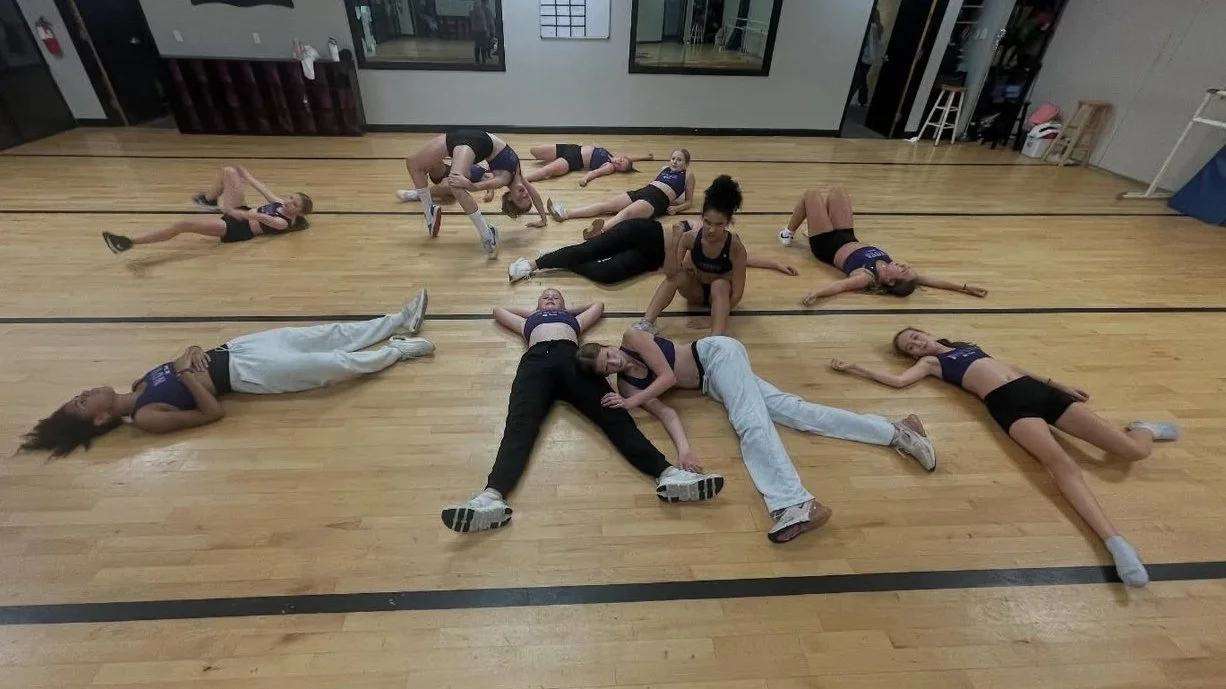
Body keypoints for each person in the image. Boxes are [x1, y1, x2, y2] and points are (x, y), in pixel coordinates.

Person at [830, 327, 1181, 587]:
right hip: (1009, 405)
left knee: (1131, 451)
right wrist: (855, 367)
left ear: (926, 331)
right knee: (1061, 465)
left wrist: (1058, 384)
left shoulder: (968, 346)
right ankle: (1116, 543)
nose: (917, 343)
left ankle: (1144, 428)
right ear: (912, 355)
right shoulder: (932, 363)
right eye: (910, 346)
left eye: (916, 336)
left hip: (1039, 392)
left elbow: (1012, 364)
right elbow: (897, 382)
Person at [577, 330, 935, 542]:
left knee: (750, 423)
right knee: (797, 411)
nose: (614, 363)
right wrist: (684, 451)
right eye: (606, 368)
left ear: (610, 345)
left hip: (718, 354)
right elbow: (668, 412)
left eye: (609, 355)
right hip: (713, 383)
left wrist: (631, 402)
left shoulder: (633, 338)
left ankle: (793, 502)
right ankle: (896, 430)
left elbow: (667, 377)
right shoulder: (626, 384)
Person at [440, 288, 725, 533]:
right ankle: (492, 497)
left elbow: (597, 306)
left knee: (614, 414)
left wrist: (563, 310)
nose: (550, 298)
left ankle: (668, 475)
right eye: (545, 297)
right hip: (535, 363)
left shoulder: (572, 321)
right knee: (519, 426)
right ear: (537, 305)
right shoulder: (530, 323)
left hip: (573, 360)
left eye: (556, 297)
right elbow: (498, 310)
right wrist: (536, 312)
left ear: (565, 305)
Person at [19, 291, 433, 457]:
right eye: (83, 400)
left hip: (238, 347)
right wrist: (186, 375)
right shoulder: (145, 417)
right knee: (330, 366)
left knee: (325, 334)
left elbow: (187, 358)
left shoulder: (138, 383)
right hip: (247, 375)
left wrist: (190, 351)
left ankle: (398, 320)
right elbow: (211, 414)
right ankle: (396, 351)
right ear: (99, 418)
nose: (86, 391)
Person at [778, 188, 987, 305]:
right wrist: (965, 287)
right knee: (838, 192)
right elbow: (932, 280)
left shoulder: (866, 276)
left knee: (811, 195)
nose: (904, 265)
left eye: (903, 270)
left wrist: (816, 293)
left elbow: (839, 287)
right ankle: (814, 224)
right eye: (906, 267)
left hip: (825, 243)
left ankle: (787, 233)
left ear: (889, 279)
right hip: (847, 236)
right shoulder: (897, 273)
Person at [506, 217, 798, 285]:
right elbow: (680, 229)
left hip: (650, 259)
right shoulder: (702, 228)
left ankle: (569, 263)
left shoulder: (729, 250)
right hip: (645, 232)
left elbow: (745, 261)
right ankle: (532, 264)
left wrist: (775, 264)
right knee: (589, 249)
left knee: (607, 275)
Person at [632, 175, 749, 336]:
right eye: (708, 222)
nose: (712, 229)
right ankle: (647, 323)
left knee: (720, 284)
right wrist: (675, 240)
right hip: (696, 292)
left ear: (728, 223)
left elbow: (737, 294)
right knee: (678, 275)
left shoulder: (735, 246)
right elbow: (669, 273)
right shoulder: (690, 238)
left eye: (719, 224)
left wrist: (711, 319)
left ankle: (716, 339)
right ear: (702, 218)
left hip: (720, 298)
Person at [404, 129, 548, 259]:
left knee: (455, 185)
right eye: (526, 197)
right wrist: (543, 218)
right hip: (462, 135)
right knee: (413, 163)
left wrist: (467, 183)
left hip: (474, 144)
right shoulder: (519, 175)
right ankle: (429, 210)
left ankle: (487, 234)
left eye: (520, 199)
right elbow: (535, 194)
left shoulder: (504, 179)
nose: (524, 194)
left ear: (510, 197)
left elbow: (474, 187)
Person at [101, 166, 312, 253]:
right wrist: (247, 177)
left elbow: (251, 215)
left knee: (183, 225)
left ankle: (129, 242)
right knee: (229, 171)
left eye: (294, 204)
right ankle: (209, 200)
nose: (288, 202)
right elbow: (264, 190)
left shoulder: (282, 222)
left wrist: (228, 208)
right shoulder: (279, 205)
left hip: (237, 228)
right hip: (241, 212)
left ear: (299, 213)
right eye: (290, 197)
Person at [546, 149, 695, 240]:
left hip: (657, 200)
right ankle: (566, 213)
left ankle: (601, 231)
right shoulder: (664, 168)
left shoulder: (688, 175)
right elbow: (654, 183)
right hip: (644, 191)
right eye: (673, 158)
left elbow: (689, 202)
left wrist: (676, 208)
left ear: (686, 163)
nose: (675, 162)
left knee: (626, 213)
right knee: (605, 205)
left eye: (679, 159)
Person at [524, 144, 653, 184]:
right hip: (570, 148)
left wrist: (585, 178)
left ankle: (522, 180)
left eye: (620, 166)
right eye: (621, 160)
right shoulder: (613, 156)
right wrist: (645, 157)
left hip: (573, 160)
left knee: (546, 171)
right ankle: (554, 162)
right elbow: (630, 158)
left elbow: (595, 173)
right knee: (534, 151)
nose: (618, 162)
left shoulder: (609, 166)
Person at [396, 162, 497, 205]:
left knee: (448, 184)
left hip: (453, 181)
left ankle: (417, 194)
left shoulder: (489, 176)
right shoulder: (482, 168)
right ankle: (421, 186)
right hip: (449, 170)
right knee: (431, 161)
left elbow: (490, 186)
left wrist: (490, 193)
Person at [849, 8, 883, 107]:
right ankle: (862, 99)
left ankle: (857, 99)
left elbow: (869, 43)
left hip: (864, 56)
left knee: (858, 80)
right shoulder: (880, 27)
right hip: (869, 59)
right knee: (861, 79)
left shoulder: (872, 27)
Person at [469, 0, 491, 64]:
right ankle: (477, 60)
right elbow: (473, 19)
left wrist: (486, 30)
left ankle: (483, 60)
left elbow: (485, 21)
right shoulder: (476, 8)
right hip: (478, 30)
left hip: (482, 30)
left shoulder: (484, 9)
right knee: (478, 45)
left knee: (483, 46)